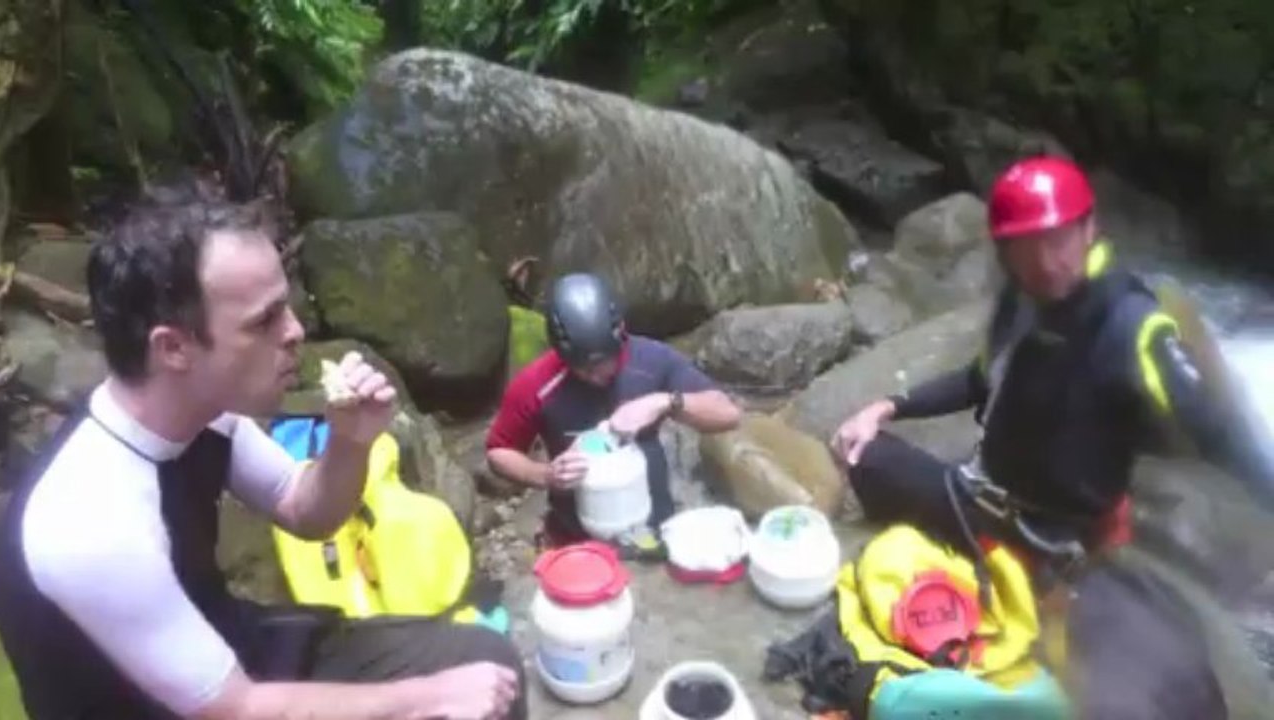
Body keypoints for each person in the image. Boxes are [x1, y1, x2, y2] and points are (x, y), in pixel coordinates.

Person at [0, 198, 527, 720]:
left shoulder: (205, 415)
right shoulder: (89, 520)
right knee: (451, 698)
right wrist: (426, 698)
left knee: (484, 659)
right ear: (173, 348)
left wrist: (349, 442)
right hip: (182, 703)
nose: (295, 332)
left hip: (231, 652)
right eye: (265, 320)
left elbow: (307, 511)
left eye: (287, 306)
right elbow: (232, 708)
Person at [830, 156, 1274, 718]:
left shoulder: (1131, 326)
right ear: (1004, 251)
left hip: (1066, 545)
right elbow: (977, 379)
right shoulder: (1021, 305)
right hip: (980, 503)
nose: (1044, 261)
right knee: (863, 454)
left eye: (1058, 239)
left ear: (1088, 231)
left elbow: (1217, 430)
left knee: (1137, 693)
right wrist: (887, 405)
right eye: (1024, 246)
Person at [485, 272, 742, 555]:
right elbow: (499, 451)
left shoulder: (651, 360)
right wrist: (544, 475)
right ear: (561, 353)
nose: (597, 376)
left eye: (605, 362)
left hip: (652, 524)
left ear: (620, 333)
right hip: (576, 536)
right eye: (584, 368)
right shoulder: (536, 384)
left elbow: (728, 414)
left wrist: (665, 401)